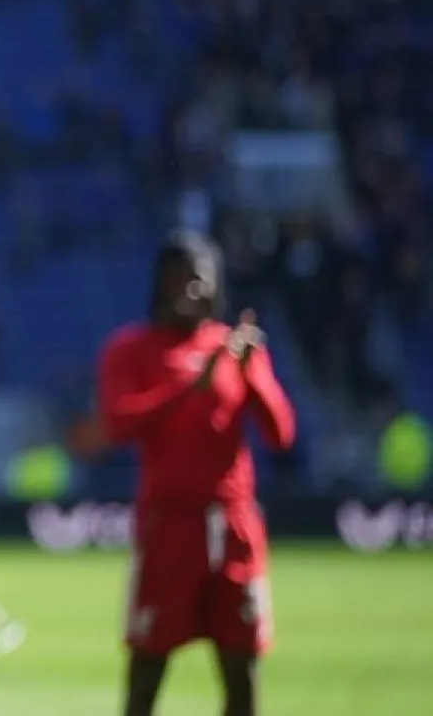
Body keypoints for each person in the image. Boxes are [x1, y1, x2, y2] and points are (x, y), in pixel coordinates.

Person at [96, 230, 296, 716]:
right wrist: (191, 386)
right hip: (169, 526)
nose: (192, 290)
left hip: (233, 525)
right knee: (148, 662)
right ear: (160, 284)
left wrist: (252, 374)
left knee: (241, 666)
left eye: (201, 280)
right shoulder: (132, 347)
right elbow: (117, 423)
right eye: (181, 279)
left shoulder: (235, 349)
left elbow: (280, 435)